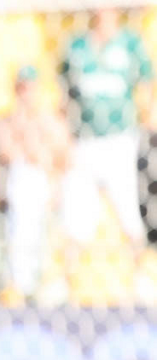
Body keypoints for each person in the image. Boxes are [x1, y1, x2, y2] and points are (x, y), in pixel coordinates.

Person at [58, 6, 153, 252]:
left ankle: (142, 272)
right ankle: (68, 275)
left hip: (120, 139)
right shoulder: (76, 45)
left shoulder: (130, 43)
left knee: (132, 217)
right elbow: (64, 97)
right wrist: (65, 138)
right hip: (84, 140)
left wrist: (147, 125)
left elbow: (147, 86)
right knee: (75, 223)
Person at [0, 66, 71, 303]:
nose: (25, 94)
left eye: (29, 88)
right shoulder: (1, 125)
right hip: (7, 207)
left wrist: (41, 159)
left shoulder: (51, 125)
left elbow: (65, 163)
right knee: (0, 263)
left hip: (42, 206)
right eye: (21, 88)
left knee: (40, 265)